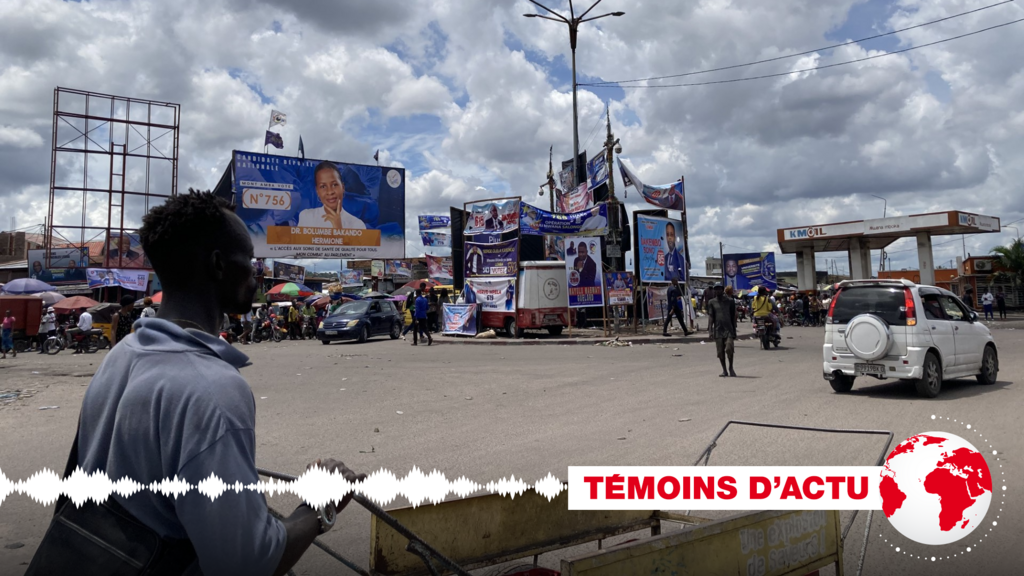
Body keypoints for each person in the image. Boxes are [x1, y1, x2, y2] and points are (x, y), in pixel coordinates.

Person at [27, 190, 364, 576]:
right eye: (250, 262)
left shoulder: (123, 355)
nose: (255, 274)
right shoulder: (212, 390)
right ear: (219, 265)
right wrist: (319, 504)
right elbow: (247, 564)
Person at [297, 161, 366, 229]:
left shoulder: (357, 225)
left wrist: (338, 229)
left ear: (343, 188)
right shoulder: (307, 217)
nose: (330, 192)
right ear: (317, 191)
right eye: (323, 186)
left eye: (334, 185)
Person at [707, 284, 737, 377]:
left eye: (719, 289)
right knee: (720, 352)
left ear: (722, 290)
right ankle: (724, 370)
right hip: (718, 329)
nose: (717, 291)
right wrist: (710, 330)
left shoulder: (730, 301)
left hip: (729, 329)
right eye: (716, 290)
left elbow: (733, 315)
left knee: (729, 349)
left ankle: (731, 367)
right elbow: (711, 316)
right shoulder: (712, 302)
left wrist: (734, 329)